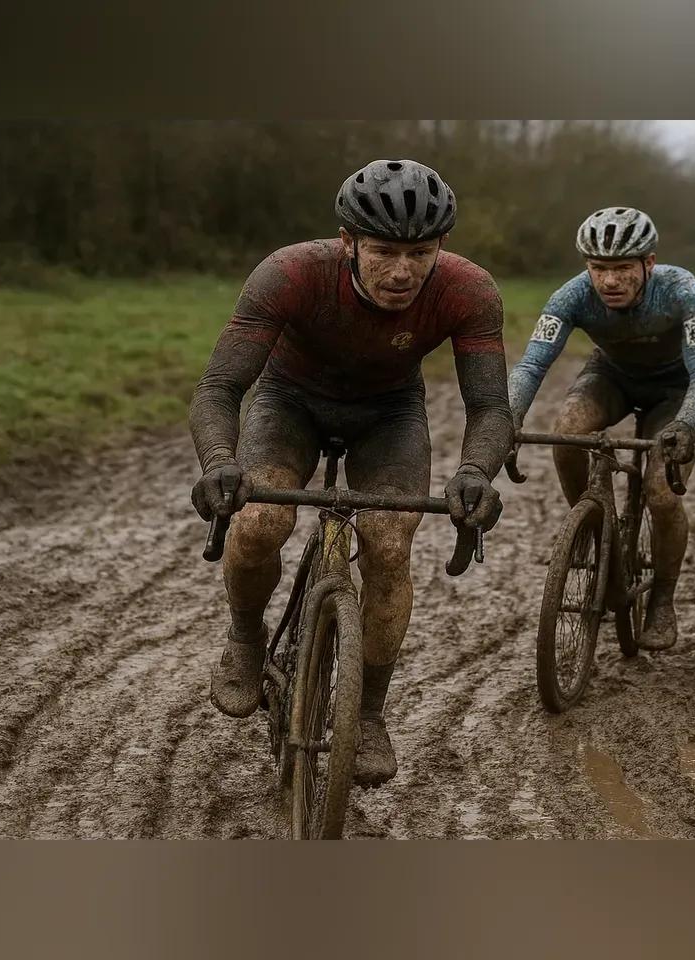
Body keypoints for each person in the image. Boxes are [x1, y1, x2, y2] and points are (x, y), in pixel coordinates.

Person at [188, 159, 513, 786]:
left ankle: (366, 712)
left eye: (420, 252)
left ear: (441, 246)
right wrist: (221, 462)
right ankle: (247, 638)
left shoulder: (469, 290)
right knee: (257, 522)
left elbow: (492, 408)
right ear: (348, 242)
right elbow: (220, 387)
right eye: (385, 251)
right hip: (290, 403)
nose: (402, 271)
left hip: (389, 415)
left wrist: (476, 470)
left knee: (390, 545)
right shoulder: (289, 274)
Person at [507, 207, 695, 651]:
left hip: (674, 390)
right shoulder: (571, 296)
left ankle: (663, 600)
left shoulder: (685, 291)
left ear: (649, 263)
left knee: (662, 495)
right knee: (567, 433)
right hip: (612, 377)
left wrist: (687, 423)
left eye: (622, 268)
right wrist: (507, 418)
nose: (608, 281)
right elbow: (531, 365)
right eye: (598, 268)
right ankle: (591, 529)